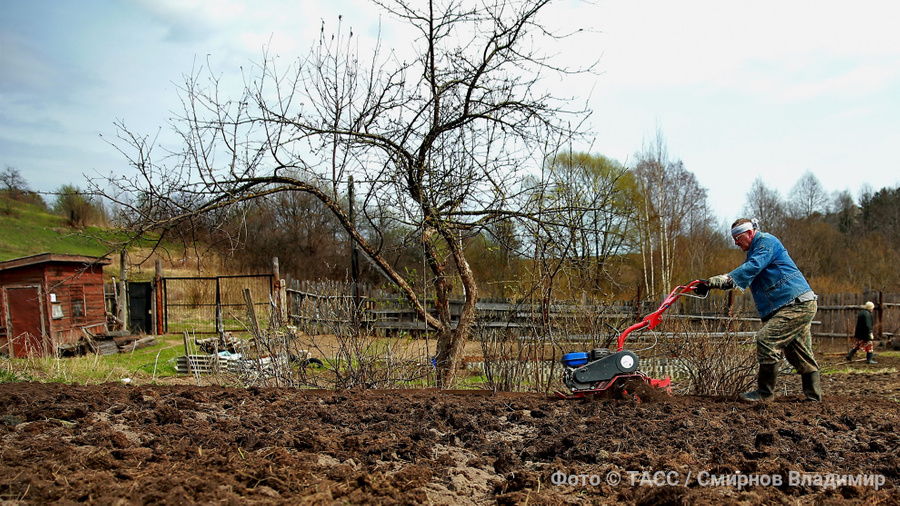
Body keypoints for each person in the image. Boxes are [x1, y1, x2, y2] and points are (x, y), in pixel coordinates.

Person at [706, 218, 822, 403]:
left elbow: (753, 267)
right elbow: (749, 273)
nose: (735, 242)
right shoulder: (757, 251)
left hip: (796, 303)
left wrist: (723, 278)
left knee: (766, 339)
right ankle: (814, 398)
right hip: (794, 305)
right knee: (798, 351)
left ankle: (765, 393)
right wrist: (712, 284)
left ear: (750, 233)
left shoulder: (766, 242)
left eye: (738, 237)